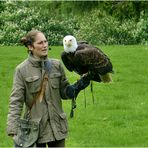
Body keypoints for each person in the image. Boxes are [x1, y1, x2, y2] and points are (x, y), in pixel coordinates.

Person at [7, 30, 90, 147]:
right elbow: (16, 101)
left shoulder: (56, 65)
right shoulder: (22, 70)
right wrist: (13, 129)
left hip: (57, 127)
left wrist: (79, 85)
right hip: (35, 131)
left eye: (46, 41)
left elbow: (65, 93)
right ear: (30, 47)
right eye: (40, 43)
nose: (45, 45)